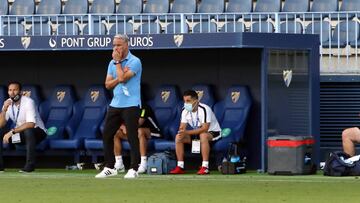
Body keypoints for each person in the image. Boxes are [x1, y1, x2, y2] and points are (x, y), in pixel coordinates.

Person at [95, 34, 142, 179]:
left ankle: (134, 168)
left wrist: (117, 63)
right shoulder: (112, 63)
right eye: (114, 45)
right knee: (107, 134)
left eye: (119, 45)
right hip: (115, 104)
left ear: (127, 45)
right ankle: (110, 166)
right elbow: (108, 84)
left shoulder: (135, 61)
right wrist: (117, 68)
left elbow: (123, 78)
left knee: (132, 136)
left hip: (131, 104)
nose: (116, 48)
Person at [170, 90, 221, 175]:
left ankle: (205, 167)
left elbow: (205, 128)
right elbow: (182, 127)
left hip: (212, 133)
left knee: (203, 135)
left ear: (196, 101)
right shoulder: (184, 110)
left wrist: (187, 132)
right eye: (184, 101)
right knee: (178, 137)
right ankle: (180, 166)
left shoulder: (205, 109)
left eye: (188, 101)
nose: (186, 103)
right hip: (196, 134)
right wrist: (182, 131)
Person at [0, 82, 47, 172]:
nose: (12, 92)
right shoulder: (7, 103)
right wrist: (4, 109)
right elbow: (1, 124)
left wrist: (11, 132)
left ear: (20, 92)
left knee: (28, 131)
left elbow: (31, 124)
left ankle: (30, 165)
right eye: (10, 90)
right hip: (21, 136)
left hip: (38, 133)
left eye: (15, 90)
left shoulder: (28, 102)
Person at [113, 104, 161, 174]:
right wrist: (123, 126)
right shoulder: (127, 107)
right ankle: (119, 163)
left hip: (153, 132)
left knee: (140, 131)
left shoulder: (145, 107)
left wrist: (127, 127)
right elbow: (117, 121)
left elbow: (139, 123)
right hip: (135, 133)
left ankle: (143, 164)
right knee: (115, 133)